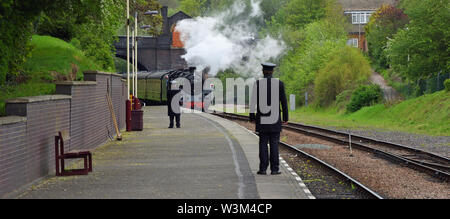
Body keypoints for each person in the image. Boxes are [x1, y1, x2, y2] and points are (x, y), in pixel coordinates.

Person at [250, 63, 289, 175]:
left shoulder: (257, 84)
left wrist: (252, 117)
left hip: (262, 119)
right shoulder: (279, 84)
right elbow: (284, 102)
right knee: (274, 143)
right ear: (272, 72)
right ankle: (275, 169)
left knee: (262, 143)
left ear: (263, 71)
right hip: (275, 119)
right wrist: (285, 117)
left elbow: (253, 102)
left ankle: (262, 169)